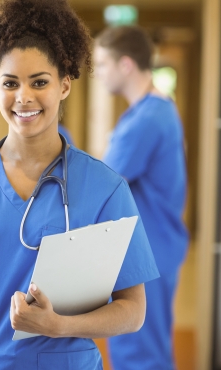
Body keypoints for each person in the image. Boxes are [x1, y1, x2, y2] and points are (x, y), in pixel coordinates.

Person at [0, 0, 160, 368]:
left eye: (39, 82)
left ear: (64, 85)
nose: (24, 97)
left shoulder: (105, 188)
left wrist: (60, 325)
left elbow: (133, 310)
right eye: (10, 83)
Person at [94, 26, 188, 370]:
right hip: (157, 246)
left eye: (103, 64)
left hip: (149, 250)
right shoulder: (156, 110)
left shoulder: (147, 118)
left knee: (140, 356)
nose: (98, 72)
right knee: (149, 350)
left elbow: (104, 182)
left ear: (127, 65)